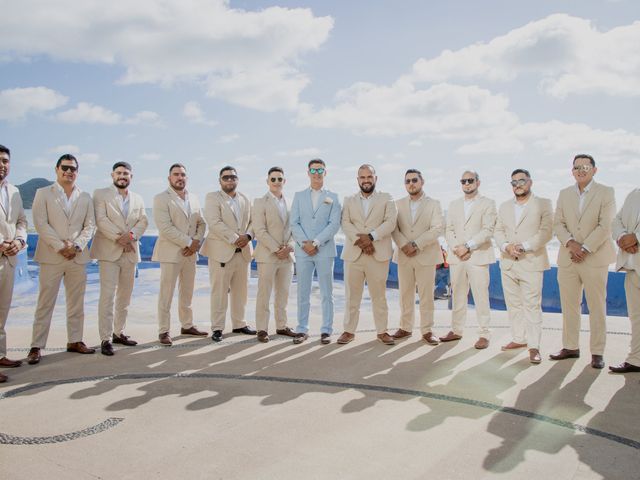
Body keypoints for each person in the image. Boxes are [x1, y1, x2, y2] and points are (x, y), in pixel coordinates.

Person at [28, 154, 96, 365]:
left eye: (73, 169)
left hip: (77, 256)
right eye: (65, 168)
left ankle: (75, 340)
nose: (69, 172)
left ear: (77, 172)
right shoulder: (43, 193)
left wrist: (75, 246)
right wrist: (60, 246)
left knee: (76, 302)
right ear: (56, 169)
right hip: (52, 257)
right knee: (45, 302)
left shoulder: (85, 196)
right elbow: (40, 223)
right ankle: (36, 346)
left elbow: (90, 225)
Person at [551, 154, 616, 369]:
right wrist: (571, 244)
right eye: (577, 167)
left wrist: (585, 248)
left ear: (594, 170)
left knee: (597, 307)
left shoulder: (606, 192)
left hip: (594, 258)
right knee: (569, 306)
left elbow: (605, 226)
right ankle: (570, 347)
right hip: (568, 258)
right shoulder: (564, 194)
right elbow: (558, 223)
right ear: (572, 171)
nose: (581, 170)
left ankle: (597, 352)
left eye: (585, 167)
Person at [494, 169, 553, 364]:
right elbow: (498, 231)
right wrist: (506, 246)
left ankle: (534, 346)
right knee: (513, 305)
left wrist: (523, 246)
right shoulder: (504, 207)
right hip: (508, 263)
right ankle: (519, 338)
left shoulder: (544, 204)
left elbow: (546, 232)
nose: (517, 185)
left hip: (532, 262)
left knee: (532, 306)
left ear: (530, 182)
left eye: (521, 181)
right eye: (514, 182)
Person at [90, 162, 149, 356]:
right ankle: (105, 338)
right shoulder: (100, 194)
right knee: (107, 297)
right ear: (112, 175)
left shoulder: (138, 198)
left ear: (131, 176)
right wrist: (120, 238)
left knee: (125, 296)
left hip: (130, 252)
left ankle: (119, 332)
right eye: (119, 173)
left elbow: (143, 221)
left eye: (126, 173)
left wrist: (130, 237)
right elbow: (101, 220)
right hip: (109, 252)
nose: (122, 176)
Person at [338, 164, 398, 345]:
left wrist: (371, 237)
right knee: (351, 296)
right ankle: (348, 331)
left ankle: (382, 331)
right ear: (358, 180)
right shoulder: (348, 200)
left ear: (375, 178)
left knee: (379, 295)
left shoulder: (387, 198)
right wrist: (362, 243)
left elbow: (390, 222)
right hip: (354, 254)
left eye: (369, 177)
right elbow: (345, 223)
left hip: (378, 254)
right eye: (362, 177)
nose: (366, 180)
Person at [152, 163, 208, 346]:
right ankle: (164, 330)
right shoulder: (161, 198)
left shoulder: (193, 198)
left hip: (190, 254)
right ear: (169, 178)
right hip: (171, 253)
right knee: (166, 294)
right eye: (176, 174)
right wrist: (188, 242)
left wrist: (196, 243)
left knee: (187, 292)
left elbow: (202, 223)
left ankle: (187, 325)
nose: (179, 177)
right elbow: (165, 227)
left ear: (187, 177)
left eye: (183, 174)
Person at [442, 170, 497, 349]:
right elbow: (448, 229)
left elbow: (488, 229)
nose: (467, 184)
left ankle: (484, 334)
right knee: (457, 294)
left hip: (477, 256)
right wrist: (457, 248)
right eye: (463, 181)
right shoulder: (453, 204)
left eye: (470, 180)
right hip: (457, 257)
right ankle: (456, 330)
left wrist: (468, 246)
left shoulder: (488, 203)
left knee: (481, 296)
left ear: (478, 182)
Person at [289, 159, 341, 344]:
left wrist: (316, 242)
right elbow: (293, 222)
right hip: (303, 251)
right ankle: (302, 329)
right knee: (303, 292)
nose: (317, 173)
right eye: (313, 169)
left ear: (325, 173)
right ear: (308, 172)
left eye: (320, 170)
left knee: (327, 293)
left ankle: (326, 330)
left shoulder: (333, 197)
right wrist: (305, 243)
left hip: (325, 250)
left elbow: (334, 224)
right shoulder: (299, 196)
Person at [203, 166, 255, 342]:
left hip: (244, 253)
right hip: (222, 253)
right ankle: (217, 328)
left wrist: (248, 236)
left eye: (233, 177)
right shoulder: (212, 198)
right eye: (226, 177)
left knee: (241, 292)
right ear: (220, 181)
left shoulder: (246, 198)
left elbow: (253, 222)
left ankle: (239, 324)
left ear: (237, 179)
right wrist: (235, 238)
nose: (229, 180)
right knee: (219, 292)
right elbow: (214, 222)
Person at [391, 168, 443, 345]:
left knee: (427, 295)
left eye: (414, 180)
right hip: (404, 256)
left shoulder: (434, 203)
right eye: (407, 181)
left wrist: (416, 244)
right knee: (405, 294)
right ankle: (405, 327)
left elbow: (437, 228)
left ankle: (427, 330)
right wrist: (403, 244)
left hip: (426, 255)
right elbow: (394, 228)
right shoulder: (397, 204)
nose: (411, 184)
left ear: (422, 181)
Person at [252, 167, 296, 342]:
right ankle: (262, 328)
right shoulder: (260, 202)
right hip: (268, 255)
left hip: (287, 257)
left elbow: (296, 229)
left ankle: (281, 325)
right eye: (273, 179)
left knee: (283, 293)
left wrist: (289, 247)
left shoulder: (292, 202)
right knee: (264, 293)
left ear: (284, 181)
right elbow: (259, 230)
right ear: (268, 181)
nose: (277, 182)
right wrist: (277, 249)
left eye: (280, 179)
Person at [0, 145, 27, 382]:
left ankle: (0, 355)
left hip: (9, 258)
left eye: (6, 161)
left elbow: (21, 220)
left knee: (2, 310)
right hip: (1, 249)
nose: (2, 165)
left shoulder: (14, 191)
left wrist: (19, 240)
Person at [609, 188, 640, 373]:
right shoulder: (634, 193)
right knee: (636, 317)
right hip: (632, 267)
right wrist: (621, 237)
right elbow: (617, 221)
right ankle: (636, 359)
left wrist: (635, 237)